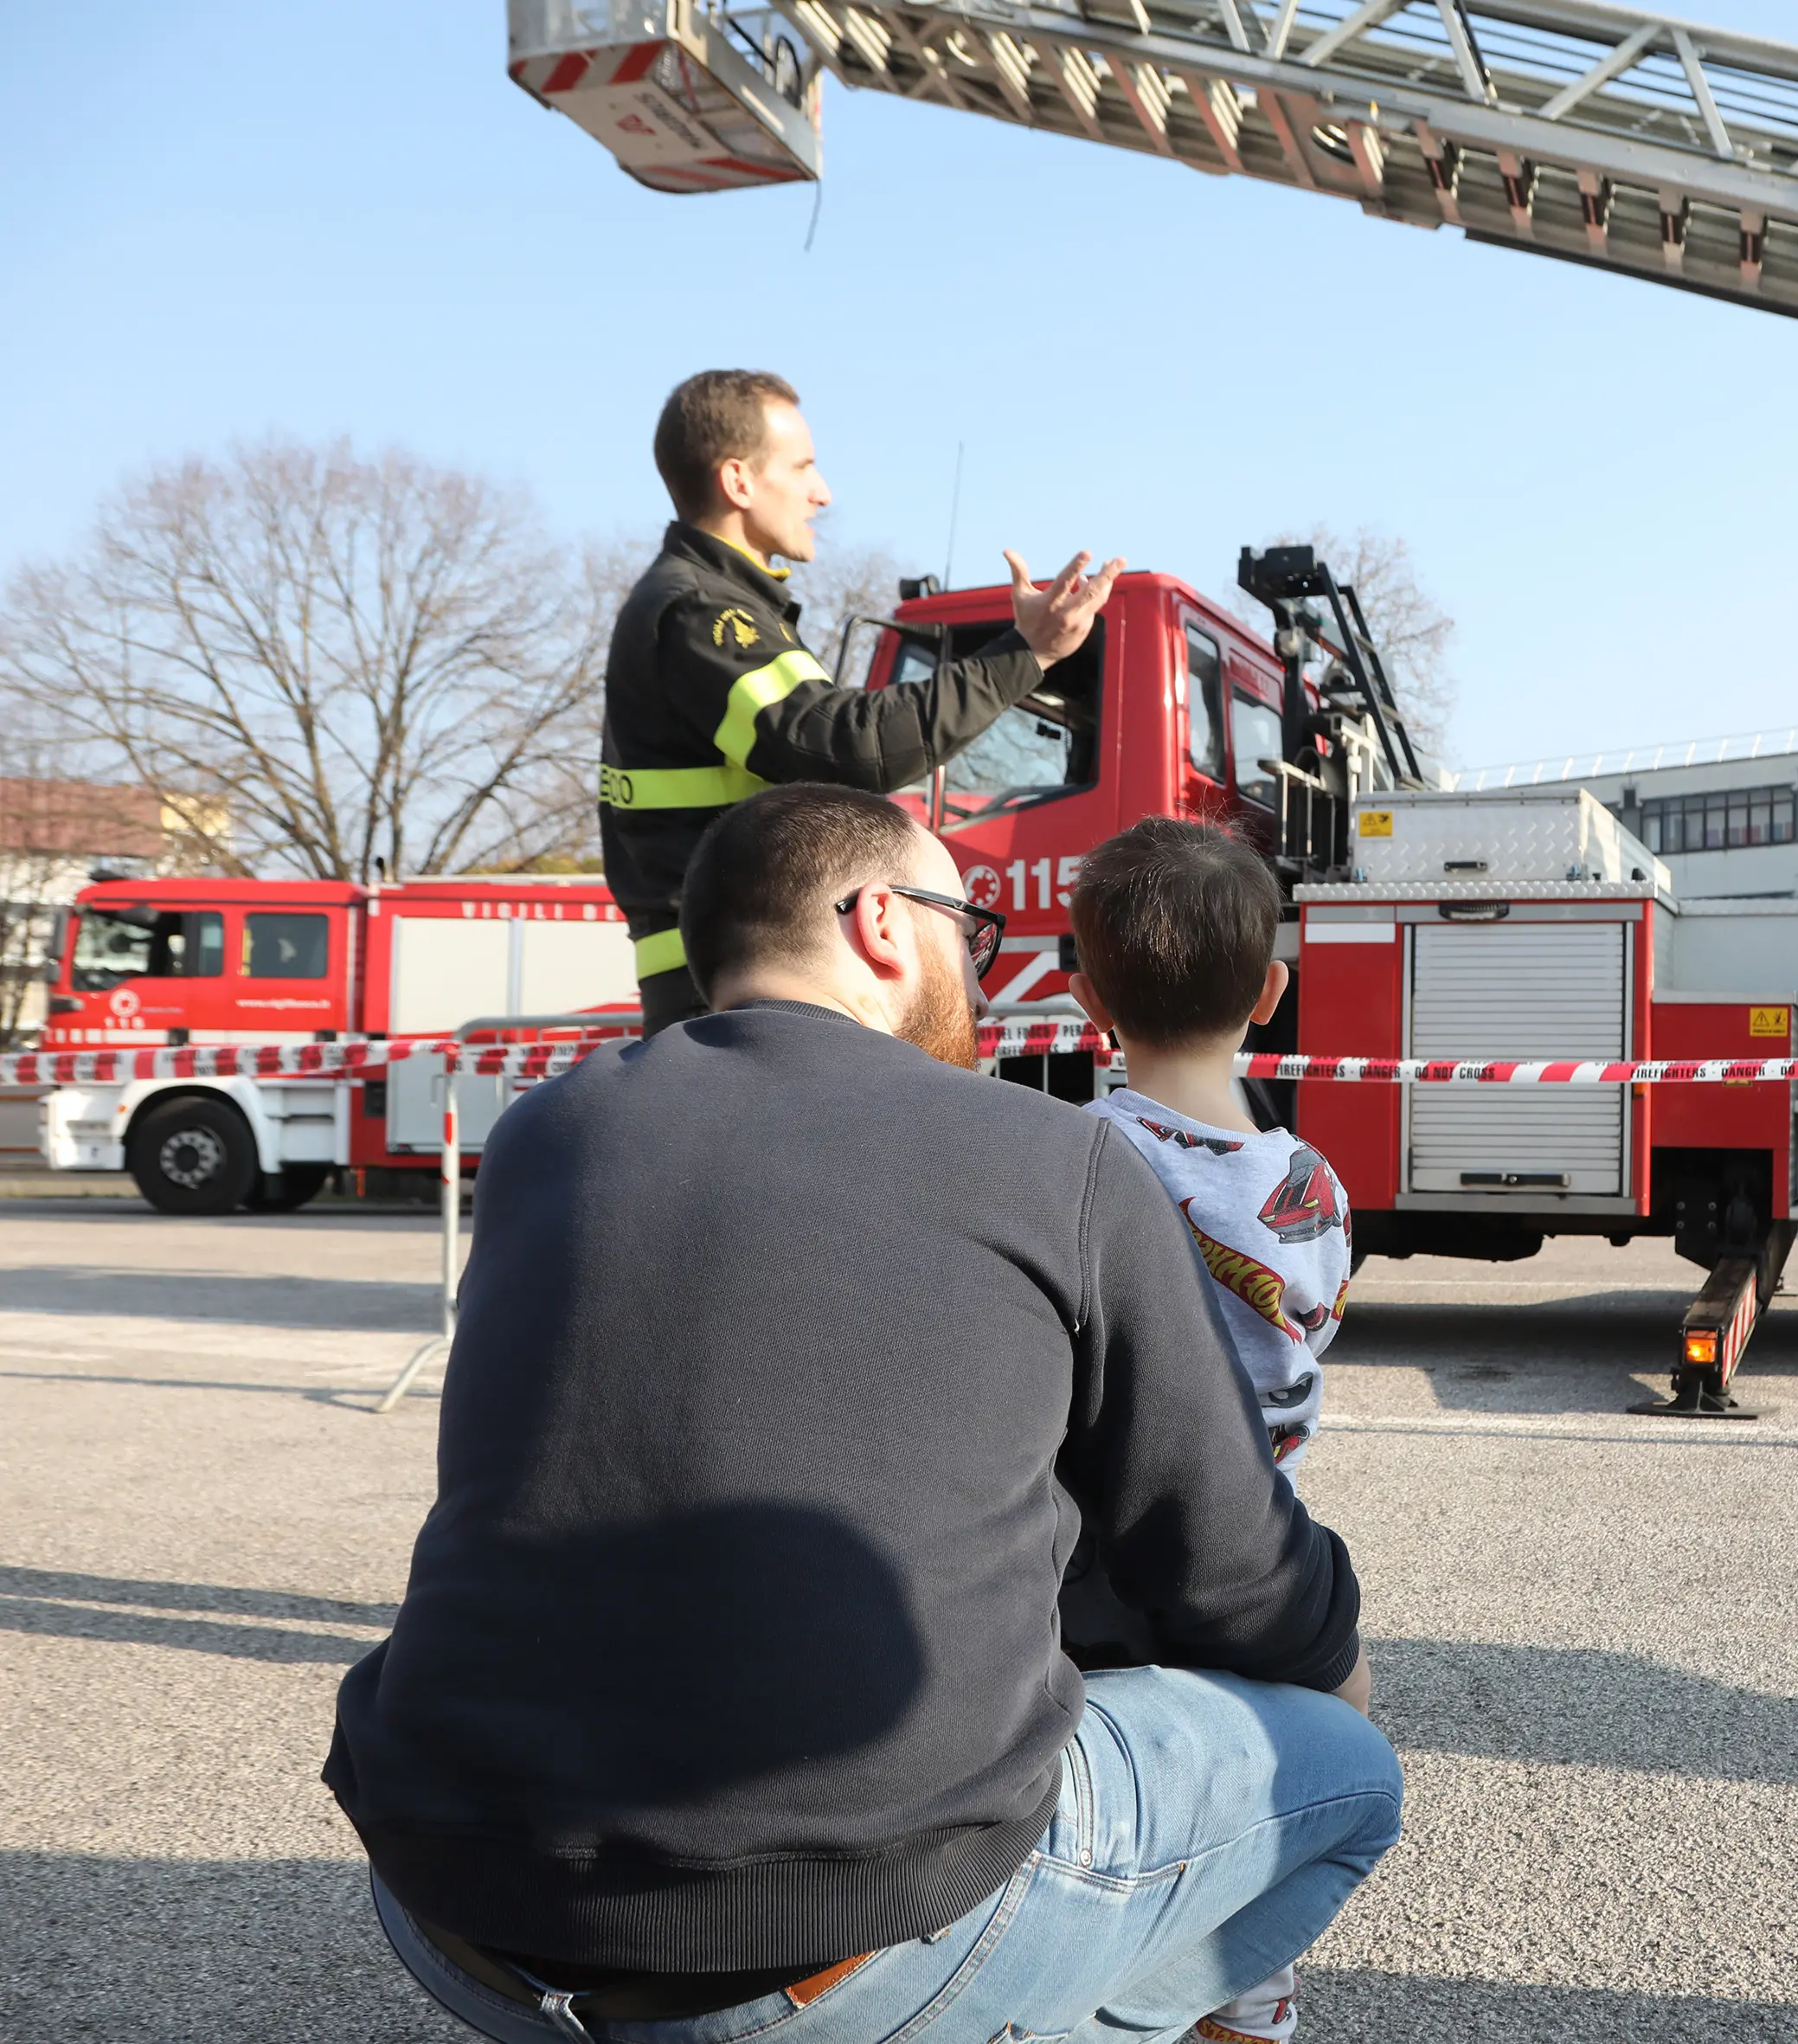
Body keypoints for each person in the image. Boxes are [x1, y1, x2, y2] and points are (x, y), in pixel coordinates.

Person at [324, 781, 1397, 2043]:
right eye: (969, 929)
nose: (980, 975)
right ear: (882, 920)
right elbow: (1226, 1565)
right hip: (835, 1954)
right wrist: (1337, 1677)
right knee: (1347, 1776)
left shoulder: (546, 1131)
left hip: (450, 1912)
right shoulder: (1054, 1157)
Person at [1062, 818, 1354, 2044]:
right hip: (1263, 1545)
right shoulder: (1314, 1186)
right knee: (1259, 1800)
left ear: (1085, 998)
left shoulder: (1083, 1155)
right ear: (1270, 993)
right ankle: (1241, 2002)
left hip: (1101, 1559)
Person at [600, 368, 1124, 1033]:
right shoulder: (702, 611)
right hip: (734, 985)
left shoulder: (705, 606)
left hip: (730, 981)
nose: (821, 493)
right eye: (802, 467)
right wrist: (1026, 655)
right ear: (738, 481)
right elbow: (845, 744)